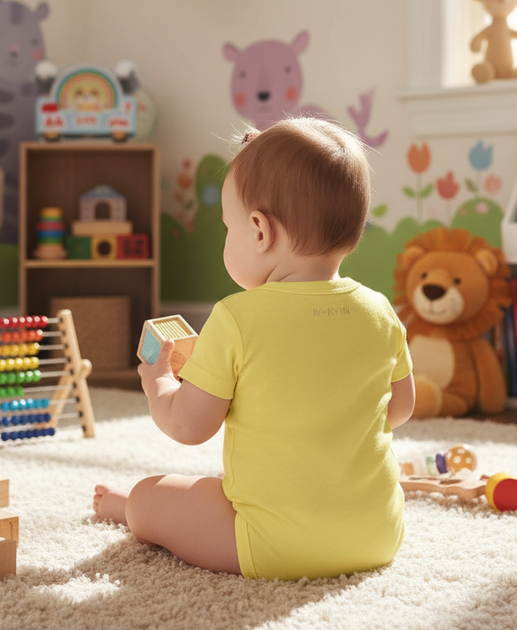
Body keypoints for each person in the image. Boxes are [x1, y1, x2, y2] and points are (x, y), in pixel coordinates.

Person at [93, 116, 415, 580]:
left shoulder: (236, 317)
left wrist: (159, 380)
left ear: (260, 231)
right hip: (376, 535)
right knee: (220, 492)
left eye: (228, 227)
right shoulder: (380, 311)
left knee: (151, 494)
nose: (227, 237)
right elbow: (399, 409)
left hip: (269, 543)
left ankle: (130, 510)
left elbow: (187, 425)